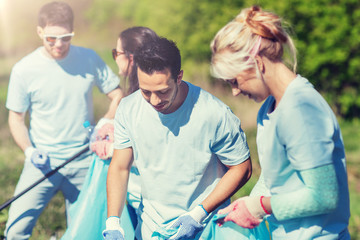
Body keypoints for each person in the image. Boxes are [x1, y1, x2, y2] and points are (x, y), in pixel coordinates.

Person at [210, 5, 350, 239]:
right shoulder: (268, 109)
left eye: (235, 81)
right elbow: (273, 179)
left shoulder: (302, 111)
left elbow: (324, 196)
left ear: (257, 62)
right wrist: (245, 205)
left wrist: (260, 206)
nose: (234, 91)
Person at [102, 36, 252, 240]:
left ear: (179, 77)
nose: (154, 100)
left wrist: (198, 215)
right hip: (152, 230)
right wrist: (113, 222)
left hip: (206, 227)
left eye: (162, 91)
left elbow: (242, 168)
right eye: (146, 92)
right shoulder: (128, 109)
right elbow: (120, 167)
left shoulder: (214, 113)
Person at [4, 1, 123, 239]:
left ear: (72, 32)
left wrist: (105, 121)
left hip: (84, 160)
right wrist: (29, 152)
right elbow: (16, 119)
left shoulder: (89, 58)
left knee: (85, 231)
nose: (59, 44)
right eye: (51, 38)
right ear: (39, 32)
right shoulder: (23, 69)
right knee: (15, 229)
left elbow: (118, 94)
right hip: (42, 163)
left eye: (66, 37)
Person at [61, 26, 159, 240]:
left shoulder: (148, 98)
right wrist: (112, 129)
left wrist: (112, 149)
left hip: (151, 201)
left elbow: (153, 152)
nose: (115, 59)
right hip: (136, 196)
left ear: (130, 58)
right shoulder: (137, 96)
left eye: (116, 53)